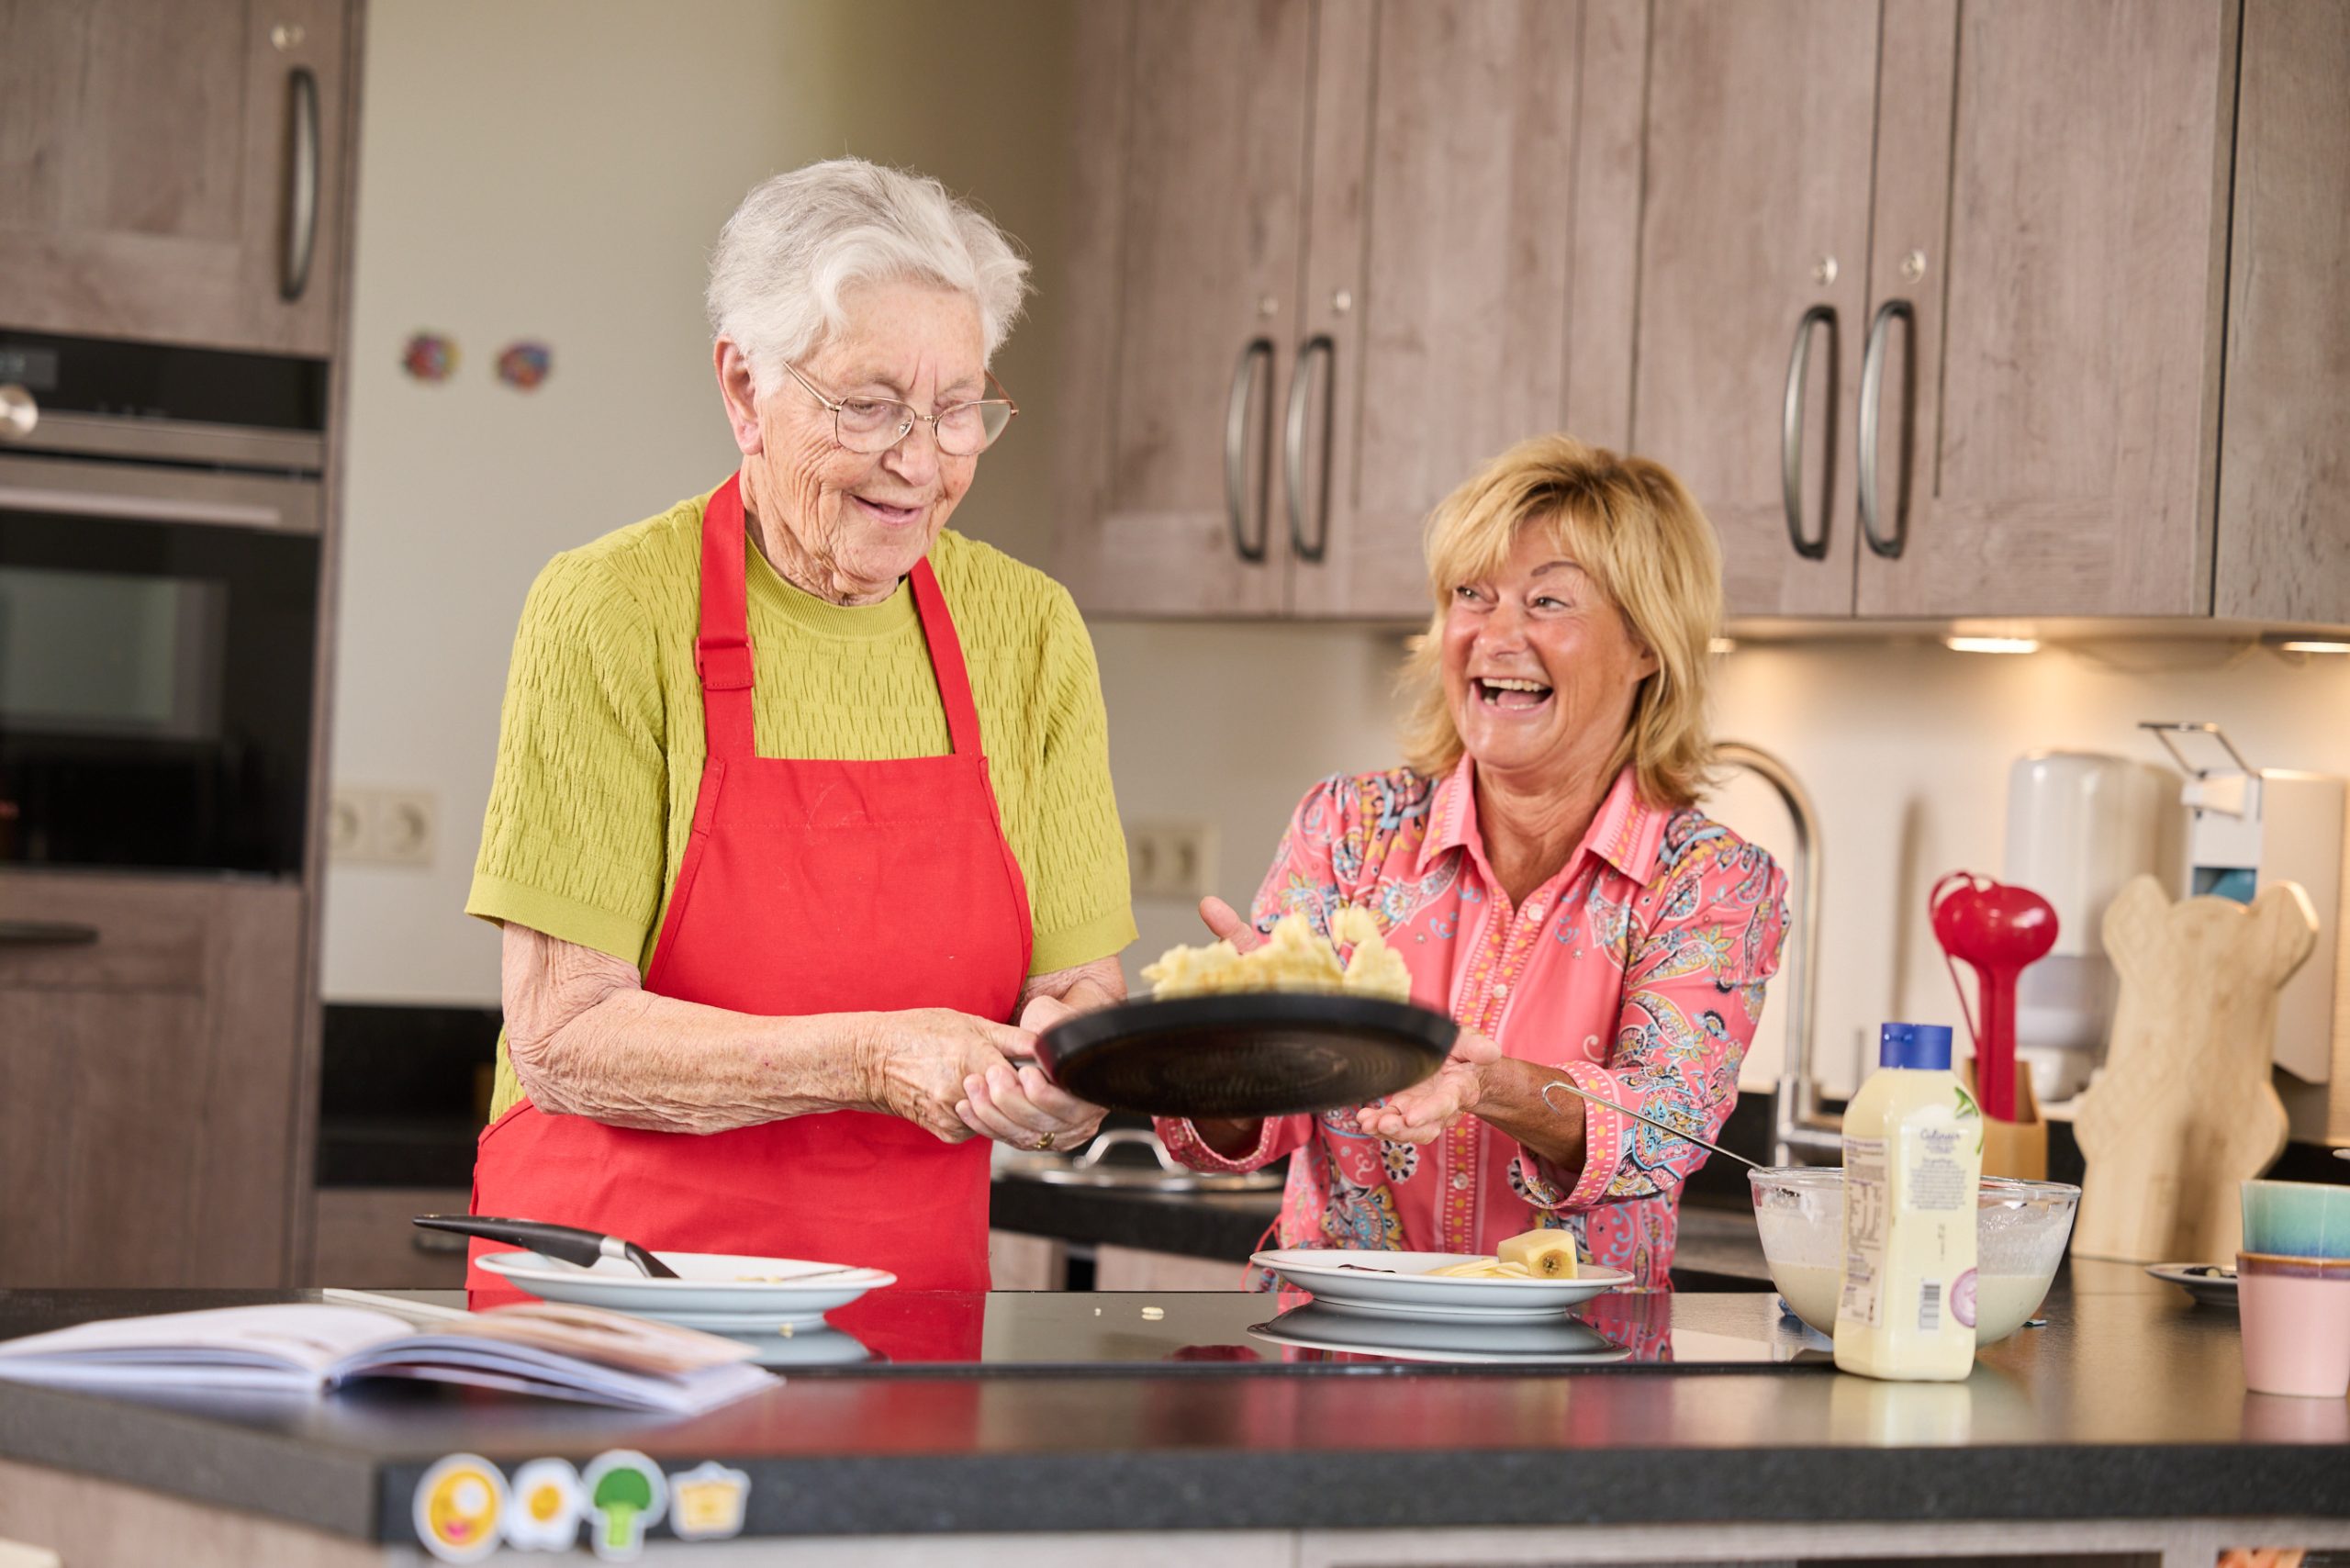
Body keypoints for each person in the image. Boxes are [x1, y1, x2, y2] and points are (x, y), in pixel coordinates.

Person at [464, 159, 1133, 1299]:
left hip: (906, 1300)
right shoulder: (611, 609)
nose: (919, 462)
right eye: (868, 405)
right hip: (620, 1296)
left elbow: (1081, 990)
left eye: (957, 409)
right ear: (743, 388)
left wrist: (1069, 1074)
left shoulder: (1029, 632)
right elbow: (565, 1036)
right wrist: (873, 1057)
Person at [1158, 435, 1787, 1289]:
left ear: (1648, 643)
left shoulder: (1712, 881)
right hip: (1332, 1349)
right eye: (1471, 595)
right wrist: (1222, 1057)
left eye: (1548, 601)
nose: (1495, 635)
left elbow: (1666, 1127)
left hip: (1576, 1360)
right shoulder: (1348, 828)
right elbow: (1246, 1132)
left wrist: (1490, 1086)